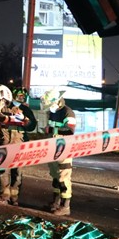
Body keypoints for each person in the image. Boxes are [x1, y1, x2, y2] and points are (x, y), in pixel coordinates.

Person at [0, 87, 37, 205]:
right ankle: (4, 196)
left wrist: (25, 120)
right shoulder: (3, 107)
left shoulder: (25, 109)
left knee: (17, 171)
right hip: (5, 141)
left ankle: (14, 197)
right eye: (19, 95)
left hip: (19, 143)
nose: (22, 97)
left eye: (23, 96)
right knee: (4, 170)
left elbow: (32, 126)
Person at [41, 88, 77, 216]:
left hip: (64, 149)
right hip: (53, 147)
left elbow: (70, 130)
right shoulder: (53, 111)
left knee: (63, 177)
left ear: (57, 101)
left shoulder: (68, 112)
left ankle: (65, 206)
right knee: (55, 176)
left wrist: (52, 129)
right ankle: (56, 202)